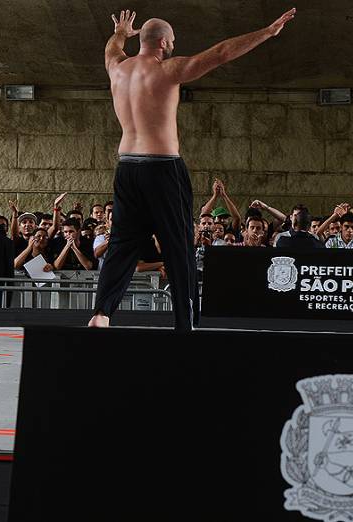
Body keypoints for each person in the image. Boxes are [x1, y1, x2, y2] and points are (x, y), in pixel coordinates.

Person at [90, 8, 296, 330]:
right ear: (163, 43)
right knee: (178, 247)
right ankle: (185, 325)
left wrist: (120, 31)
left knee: (121, 246)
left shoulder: (116, 69)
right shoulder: (168, 70)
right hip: (162, 168)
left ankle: (101, 314)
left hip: (126, 167)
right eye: (171, 41)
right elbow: (221, 53)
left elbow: (111, 48)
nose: (173, 45)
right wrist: (267, 31)